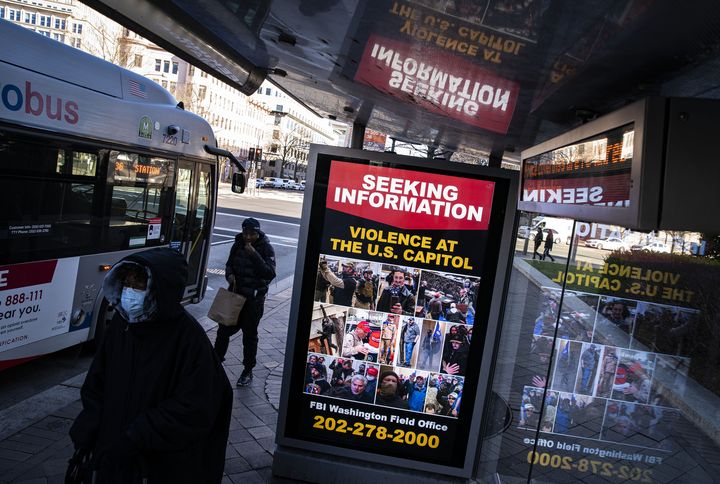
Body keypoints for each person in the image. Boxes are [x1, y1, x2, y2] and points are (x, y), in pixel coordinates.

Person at [69, 248, 232, 483]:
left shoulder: (189, 340)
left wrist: (139, 434)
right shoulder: (122, 326)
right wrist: (91, 421)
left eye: (138, 285)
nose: (128, 293)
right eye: (126, 283)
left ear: (159, 289)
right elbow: (98, 379)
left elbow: (196, 406)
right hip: (112, 457)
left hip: (155, 466)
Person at [214, 217, 276, 387]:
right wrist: (230, 275)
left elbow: (269, 273)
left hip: (253, 301)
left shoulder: (265, 248)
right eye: (245, 233)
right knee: (223, 330)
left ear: (257, 233)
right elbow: (229, 265)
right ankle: (215, 362)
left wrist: (254, 255)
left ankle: (248, 370)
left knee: (249, 336)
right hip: (235, 296)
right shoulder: (238, 243)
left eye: (252, 234)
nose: (248, 237)